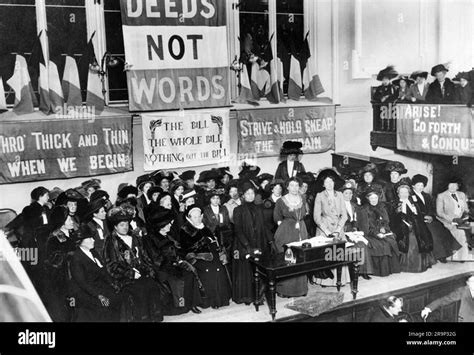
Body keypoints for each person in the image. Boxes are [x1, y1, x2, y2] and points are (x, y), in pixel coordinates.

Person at [103, 205, 164, 322]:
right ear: (115, 227)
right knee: (139, 289)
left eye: (126, 224)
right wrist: (130, 273)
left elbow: (144, 257)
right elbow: (111, 266)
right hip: (123, 277)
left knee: (152, 286)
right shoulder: (111, 242)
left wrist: (147, 269)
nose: (125, 227)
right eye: (121, 225)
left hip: (140, 272)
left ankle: (154, 318)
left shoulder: (134, 237)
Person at [143, 206, 202, 315]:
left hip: (174, 264)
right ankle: (180, 306)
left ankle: (191, 304)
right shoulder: (149, 239)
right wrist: (173, 262)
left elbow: (178, 250)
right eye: (168, 224)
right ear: (160, 226)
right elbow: (156, 259)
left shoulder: (169, 235)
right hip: (162, 268)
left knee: (190, 274)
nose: (170, 225)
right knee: (177, 279)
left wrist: (180, 260)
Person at [179, 205, 231, 309]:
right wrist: (203, 242)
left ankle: (221, 299)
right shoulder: (185, 230)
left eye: (199, 216)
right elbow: (187, 249)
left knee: (219, 267)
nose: (198, 219)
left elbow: (214, 241)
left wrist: (219, 250)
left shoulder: (204, 226)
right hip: (197, 257)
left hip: (212, 253)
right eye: (194, 217)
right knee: (210, 269)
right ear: (189, 218)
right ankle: (210, 301)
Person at [232, 182, 275, 304]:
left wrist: (270, 239)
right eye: (248, 193)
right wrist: (247, 246)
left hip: (259, 242)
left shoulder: (259, 208)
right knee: (246, 270)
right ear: (243, 195)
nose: (250, 196)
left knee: (260, 269)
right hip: (244, 244)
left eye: (252, 193)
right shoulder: (238, 210)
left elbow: (264, 226)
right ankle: (248, 297)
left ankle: (259, 296)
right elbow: (238, 230)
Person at [69, 224, 120, 322]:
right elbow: (82, 283)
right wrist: (99, 295)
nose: (93, 240)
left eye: (92, 238)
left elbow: (103, 271)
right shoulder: (76, 258)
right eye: (89, 239)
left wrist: (112, 283)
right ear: (80, 242)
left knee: (117, 297)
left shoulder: (93, 252)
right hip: (86, 291)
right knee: (105, 305)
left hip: (99, 285)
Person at [411, 174, 462, 263]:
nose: (420, 187)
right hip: (419, 220)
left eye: (422, 185)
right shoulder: (410, 196)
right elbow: (412, 211)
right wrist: (423, 217)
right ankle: (440, 255)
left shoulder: (426, 196)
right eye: (418, 185)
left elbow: (431, 208)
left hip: (430, 218)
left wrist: (430, 216)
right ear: (413, 186)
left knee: (441, 228)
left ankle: (447, 252)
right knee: (433, 232)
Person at [313, 169, 350, 287]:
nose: (329, 184)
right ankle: (325, 280)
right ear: (323, 184)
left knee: (339, 253)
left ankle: (340, 280)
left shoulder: (339, 195)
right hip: (324, 227)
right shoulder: (319, 195)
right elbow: (316, 217)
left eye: (331, 182)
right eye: (327, 182)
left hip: (338, 227)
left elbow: (344, 215)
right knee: (326, 253)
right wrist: (327, 231)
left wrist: (339, 229)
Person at [390, 181, 436, 273]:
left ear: (409, 193)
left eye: (406, 192)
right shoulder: (394, 204)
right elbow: (393, 219)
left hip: (416, 225)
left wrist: (418, 221)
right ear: (398, 194)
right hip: (401, 227)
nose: (404, 194)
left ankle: (422, 263)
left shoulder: (413, 203)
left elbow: (418, 216)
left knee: (424, 235)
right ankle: (410, 266)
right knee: (411, 239)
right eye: (401, 192)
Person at [274, 177, 309, 297]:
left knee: (301, 257)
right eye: (292, 185)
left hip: (301, 229)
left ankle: (301, 289)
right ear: (287, 187)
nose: (294, 188)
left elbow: (305, 213)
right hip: (287, 230)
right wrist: (284, 228)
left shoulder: (303, 198)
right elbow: (277, 217)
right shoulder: (281, 201)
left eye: (296, 185)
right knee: (289, 258)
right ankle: (286, 290)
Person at [44, 206, 77, 322]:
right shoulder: (54, 239)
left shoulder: (71, 235)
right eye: (69, 220)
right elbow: (54, 262)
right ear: (62, 223)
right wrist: (72, 255)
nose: (72, 221)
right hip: (64, 282)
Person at [357, 188, 401, 277]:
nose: (374, 200)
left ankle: (391, 268)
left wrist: (383, 228)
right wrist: (377, 234)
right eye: (371, 198)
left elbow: (386, 221)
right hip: (369, 234)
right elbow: (365, 228)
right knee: (380, 245)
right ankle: (379, 271)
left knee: (391, 240)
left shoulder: (381, 208)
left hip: (381, 232)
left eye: (375, 198)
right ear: (368, 199)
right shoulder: (363, 210)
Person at [340, 181, 373, 280]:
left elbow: (355, 220)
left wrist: (355, 229)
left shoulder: (354, 205)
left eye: (350, 193)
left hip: (352, 230)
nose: (349, 195)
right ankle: (352, 272)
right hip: (342, 231)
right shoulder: (338, 205)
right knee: (354, 246)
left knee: (363, 244)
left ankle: (364, 271)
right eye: (346, 193)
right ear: (341, 194)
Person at [436, 176, 471, 261]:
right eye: (450, 185)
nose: (452, 187)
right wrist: (453, 220)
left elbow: (466, 209)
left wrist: (465, 216)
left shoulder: (462, 195)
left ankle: (461, 257)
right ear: (447, 185)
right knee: (459, 232)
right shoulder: (441, 196)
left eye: (454, 185)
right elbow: (439, 212)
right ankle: (452, 256)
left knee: (464, 231)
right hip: (447, 221)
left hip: (461, 221)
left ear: (458, 186)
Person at [202, 190, 232, 255]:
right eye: (213, 198)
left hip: (224, 237)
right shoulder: (205, 210)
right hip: (212, 238)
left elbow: (227, 223)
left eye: (217, 198)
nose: (216, 200)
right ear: (210, 199)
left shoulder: (223, 208)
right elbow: (205, 224)